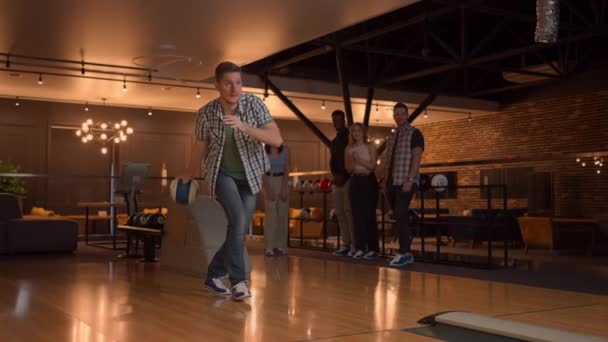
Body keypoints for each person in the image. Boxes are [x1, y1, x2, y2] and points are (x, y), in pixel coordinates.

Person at [182, 61, 282, 300]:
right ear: (217, 85)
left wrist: (245, 127)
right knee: (237, 220)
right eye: (228, 83)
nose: (234, 89)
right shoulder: (206, 113)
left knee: (238, 229)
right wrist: (187, 174)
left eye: (238, 83)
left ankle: (214, 274)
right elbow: (200, 146)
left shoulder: (255, 105)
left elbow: (276, 139)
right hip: (221, 174)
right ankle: (239, 281)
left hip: (250, 175)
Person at [384, 102, 424, 267]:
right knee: (397, 215)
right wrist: (384, 183)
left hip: (406, 181)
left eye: (401, 113)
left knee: (401, 212)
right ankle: (404, 252)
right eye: (396, 114)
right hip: (392, 182)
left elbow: (416, 157)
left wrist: (409, 179)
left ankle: (405, 252)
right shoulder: (392, 136)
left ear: (407, 115)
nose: (398, 116)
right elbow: (388, 162)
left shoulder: (415, 133)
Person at [345, 123, 379, 260]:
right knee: (357, 215)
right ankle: (360, 247)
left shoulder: (370, 146)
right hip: (355, 181)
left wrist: (358, 160)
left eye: (358, 130)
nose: (356, 133)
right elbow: (348, 169)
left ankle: (373, 248)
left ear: (363, 132)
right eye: (353, 131)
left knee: (369, 214)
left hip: (368, 181)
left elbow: (372, 166)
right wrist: (353, 163)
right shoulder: (348, 148)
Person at [329, 110, 356, 257]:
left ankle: (353, 244)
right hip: (337, 180)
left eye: (339, 120)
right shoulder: (334, 141)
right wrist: (335, 177)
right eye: (334, 120)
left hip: (348, 179)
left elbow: (352, 159)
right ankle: (345, 244)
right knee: (339, 212)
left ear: (344, 120)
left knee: (349, 212)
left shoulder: (350, 139)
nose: (337, 122)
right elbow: (333, 161)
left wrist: (345, 176)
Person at [262, 144, 290, 257]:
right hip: (269, 181)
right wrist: (268, 189)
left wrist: (284, 188)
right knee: (271, 216)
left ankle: (281, 246)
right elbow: (262, 171)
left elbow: (287, 168)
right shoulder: (264, 151)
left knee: (283, 215)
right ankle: (269, 247)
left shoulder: (285, 150)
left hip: (282, 180)